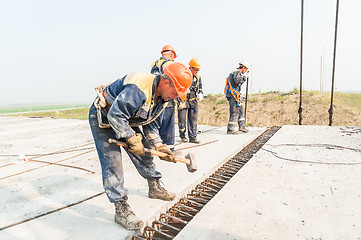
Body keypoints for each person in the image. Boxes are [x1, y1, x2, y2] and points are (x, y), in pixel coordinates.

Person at [89, 62, 192, 230]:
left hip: (126, 119)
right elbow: (116, 114)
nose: (175, 96)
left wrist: (159, 146)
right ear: (166, 82)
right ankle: (120, 207)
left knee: (145, 153)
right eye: (175, 92)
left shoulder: (163, 97)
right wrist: (131, 138)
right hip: (105, 117)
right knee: (112, 163)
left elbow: (149, 123)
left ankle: (154, 187)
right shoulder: (140, 87)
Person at [150, 45, 177, 151]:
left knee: (156, 122)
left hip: (156, 96)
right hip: (167, 96)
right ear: (171, 54)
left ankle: (157, 146)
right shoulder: (170, 64)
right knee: (168, 123)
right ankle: (169, 148)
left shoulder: (154, 64)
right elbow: (174, 82)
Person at [177, 57, 203, 143]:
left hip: (193, 100)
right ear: (190, 67)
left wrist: (200, 93)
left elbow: (200, 87)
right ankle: (183, 136)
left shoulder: (197, 76)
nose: (197, 71)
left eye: (198, 70)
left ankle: (193, 137)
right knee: (182, 119)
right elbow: (177, 87)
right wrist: (183, 91)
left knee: (193, 120)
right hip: (183, 100)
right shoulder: (183, 74)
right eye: (195, 69)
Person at [224, 61, 249, 134]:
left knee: (241, 111)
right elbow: (237, 80)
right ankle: (230, 129)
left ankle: (242, 126)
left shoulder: (237, 72)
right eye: (246, 70)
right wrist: (244, 78)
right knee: (234, 111)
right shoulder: (236, 72)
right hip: (232, 95)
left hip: (236, 95)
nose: (245, 71)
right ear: (243, 68)